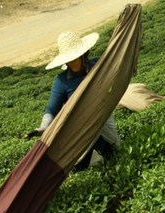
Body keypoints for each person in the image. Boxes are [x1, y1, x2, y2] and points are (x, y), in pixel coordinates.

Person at [25, 31, 120, 171]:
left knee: (115, 150)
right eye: (69, 59)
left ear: (83, 54)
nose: (72, 61)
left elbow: (118, 61)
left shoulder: (98, 65)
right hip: (81, 126)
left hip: (103, 118)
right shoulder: (62, 81)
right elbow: (52, 108)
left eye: (75, 57)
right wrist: (43, 128)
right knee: (81, 163)